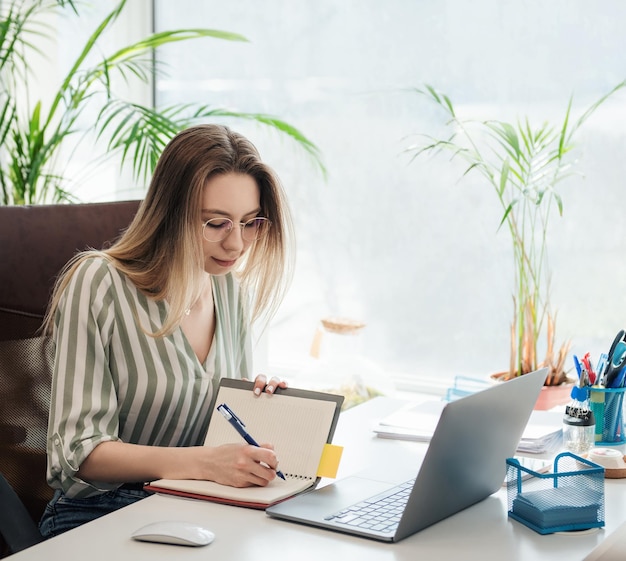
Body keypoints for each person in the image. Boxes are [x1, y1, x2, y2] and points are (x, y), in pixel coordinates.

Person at [38, 124, 295, 537]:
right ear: (169, 214)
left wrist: (259, 405)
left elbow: (219, 429)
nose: (237, 245)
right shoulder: (99, 281)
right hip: (98, 512)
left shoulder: (229, 290)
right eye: (216, 224)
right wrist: (205, 463)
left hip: (193, 504)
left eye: (250, 223)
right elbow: (79, 454)